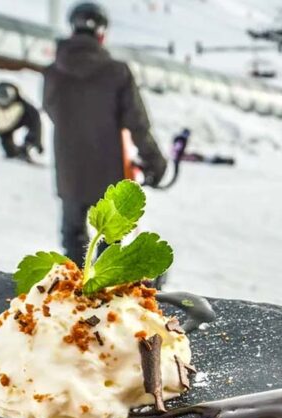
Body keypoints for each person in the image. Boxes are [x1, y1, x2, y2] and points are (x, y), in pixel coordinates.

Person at [43, 3, 167, 263]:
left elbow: (52, 111)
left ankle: (73, 294)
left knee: (73, 242)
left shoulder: (53, 73)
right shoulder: (117, 72)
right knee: (110, 246)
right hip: (108, 174)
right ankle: (104, 296)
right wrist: (154, 160)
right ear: (101, 34)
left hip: (70, 173)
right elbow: (137, 123)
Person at [0, 82, 43, 161]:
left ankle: (27, 145)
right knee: (11, 153)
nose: (4, 106)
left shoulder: (21, 102)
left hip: (20, 118)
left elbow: (35, 118)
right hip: (3, 125)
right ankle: (15, 151)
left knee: (33, 123)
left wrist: (37, 143)